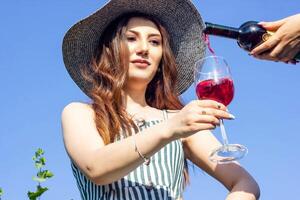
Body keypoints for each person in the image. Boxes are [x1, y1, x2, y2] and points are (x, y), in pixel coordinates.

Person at [61, 0, 260, 199]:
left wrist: (175, 125)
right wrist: (170, 128)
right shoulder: (81, 113)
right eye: (131, 38)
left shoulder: (179, 121)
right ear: (109, 51)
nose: (144, 49)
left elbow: (246, 183)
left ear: (161, 59)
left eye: (155, 42)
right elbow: (96, 168)